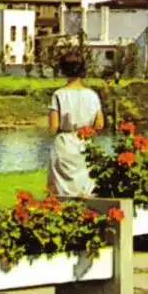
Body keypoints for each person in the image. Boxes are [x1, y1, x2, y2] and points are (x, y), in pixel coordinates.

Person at [47, 50, 104, 197]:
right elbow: (99, 124)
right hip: (85, 143)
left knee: (61, 191)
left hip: (64, 144)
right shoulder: (92, 95)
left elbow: (53, 127)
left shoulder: (59, 95)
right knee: (86, 188)